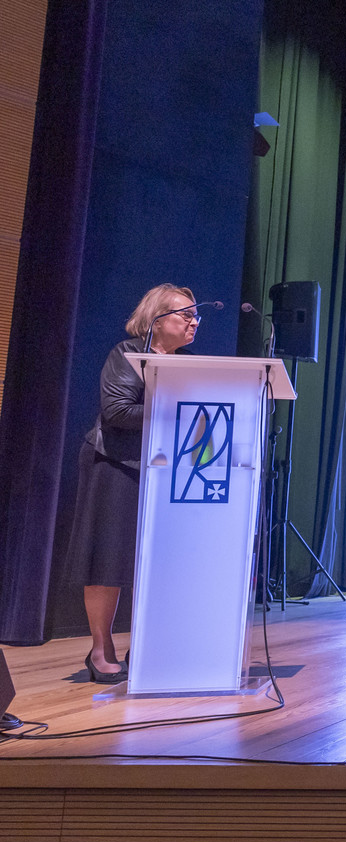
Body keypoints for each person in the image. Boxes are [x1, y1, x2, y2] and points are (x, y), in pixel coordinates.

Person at [65, 284, 201, 683]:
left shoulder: (190, 362)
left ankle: (147, 644)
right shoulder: (127, 354)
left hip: (165, 470)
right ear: (157, 319)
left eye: (196, 316)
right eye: (186, 314)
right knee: (107, 559)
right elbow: (118, 411)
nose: (194, 322)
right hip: (115, 464)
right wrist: (178, 409)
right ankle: (100, 649)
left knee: (158, 562)